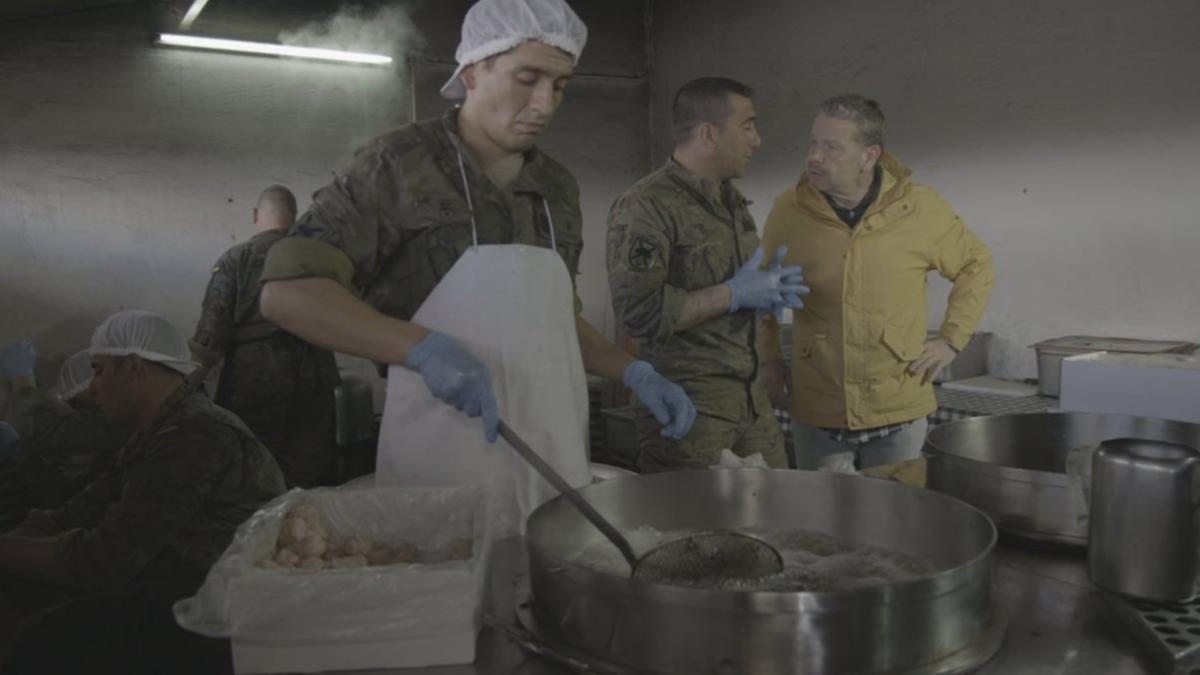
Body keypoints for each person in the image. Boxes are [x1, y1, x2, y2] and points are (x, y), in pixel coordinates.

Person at [257, 0, 696, 447]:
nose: (544, 104)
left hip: (549, 439)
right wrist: (419, 349)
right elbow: (288, 294)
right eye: (526, 80)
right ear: (470, 73)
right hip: (437, 437)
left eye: (560, 85)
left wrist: (633, 371)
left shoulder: (556, 188)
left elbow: (556, 319)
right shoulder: (399, 165)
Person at [0, 310, 285, 674]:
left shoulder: (195, 437)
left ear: (133, 368)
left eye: (98, 370)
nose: (91, 388)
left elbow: (104, 561)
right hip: (183, 593)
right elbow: (82, 509)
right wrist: (21, 538)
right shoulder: (161, 429)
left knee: (40, 642)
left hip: (213, 615)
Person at [759, 94, 995, 472]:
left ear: (870, 157)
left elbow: (976, 264)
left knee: (891, 521)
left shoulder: (919, 208)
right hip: (818, 407)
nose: (815, 156)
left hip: (898, 406)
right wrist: (768, 358)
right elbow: (759, 289)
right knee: (822, 523)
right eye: (813, 143)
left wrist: (952, 339)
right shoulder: (789, 211)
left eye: (832, 147)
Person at [606, 77, 809, 472]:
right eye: (747, 126)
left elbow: (732, 292)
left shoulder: (732, 202)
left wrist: (765, 294)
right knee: (696, 527)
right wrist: (732, 294)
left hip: (750, 398)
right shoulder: (646, 206)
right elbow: (639, 313)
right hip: (689, 405)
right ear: (708, 134)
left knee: (779, 516)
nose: (757, 140)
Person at [190, 185, 340, 488]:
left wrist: (193, 377)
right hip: (315, 370)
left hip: (254, 376)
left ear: (256, 215)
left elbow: (213, 329)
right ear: (294, 217)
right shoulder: (319, 257)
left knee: (252, 468)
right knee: (309, 467)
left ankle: (261, 530)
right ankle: (304, 530)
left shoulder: (235, 259)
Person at [0, 347, 131, 523]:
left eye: (81, 406)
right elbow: (73, 494)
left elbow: (38, 431)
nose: (80, 417)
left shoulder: (123, 420)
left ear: (94, 390)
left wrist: (23, 380)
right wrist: (29, 460)